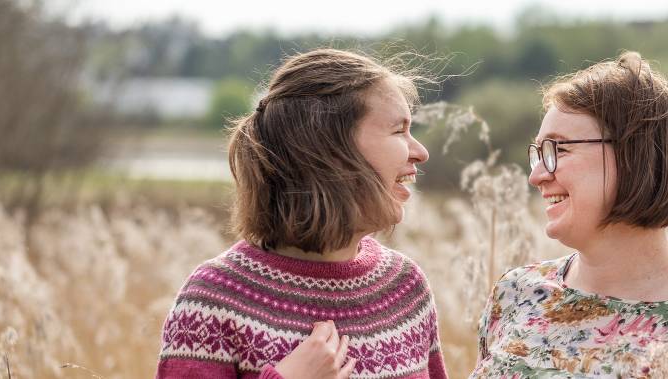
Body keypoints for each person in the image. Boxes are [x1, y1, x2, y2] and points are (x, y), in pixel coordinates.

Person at [471, 52, 668, 378]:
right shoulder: (517, 294)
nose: (536, 176)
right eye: (538, 153)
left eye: (558, 150)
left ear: (634, 154)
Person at [155, 48, 448, 379]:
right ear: (330, 152)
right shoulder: (213, 303)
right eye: (399, 130)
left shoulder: (405, 290)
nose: (420, 152)